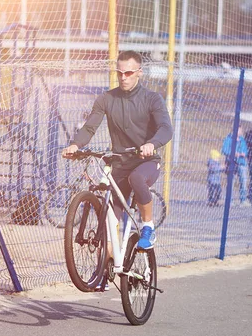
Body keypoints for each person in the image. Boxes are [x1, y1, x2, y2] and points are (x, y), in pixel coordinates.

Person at [61, 50, 173, 249]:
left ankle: (148, 227)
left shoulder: (152, 98)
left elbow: (166, 128)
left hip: (145, 162)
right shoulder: (106, 98)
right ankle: (108, 265)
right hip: (120, 164)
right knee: (109, 222)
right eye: (120, 73)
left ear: (139, 72)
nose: (123, 77)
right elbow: (89, 127)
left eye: (128, 73)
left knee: (136, 178)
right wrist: (75, 145)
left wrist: (151, 144)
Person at [221, 125, 250, 207]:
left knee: (243, 181)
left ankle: (243, 200)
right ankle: (229, 201)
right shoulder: (228, 139)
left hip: (241, 162)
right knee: (231, 182)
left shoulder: (242, 140)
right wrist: (233, 153)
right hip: (232, 162)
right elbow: (224, 150)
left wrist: (243, 153)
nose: (241, 132)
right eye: (240, 130)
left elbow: (245, 149)